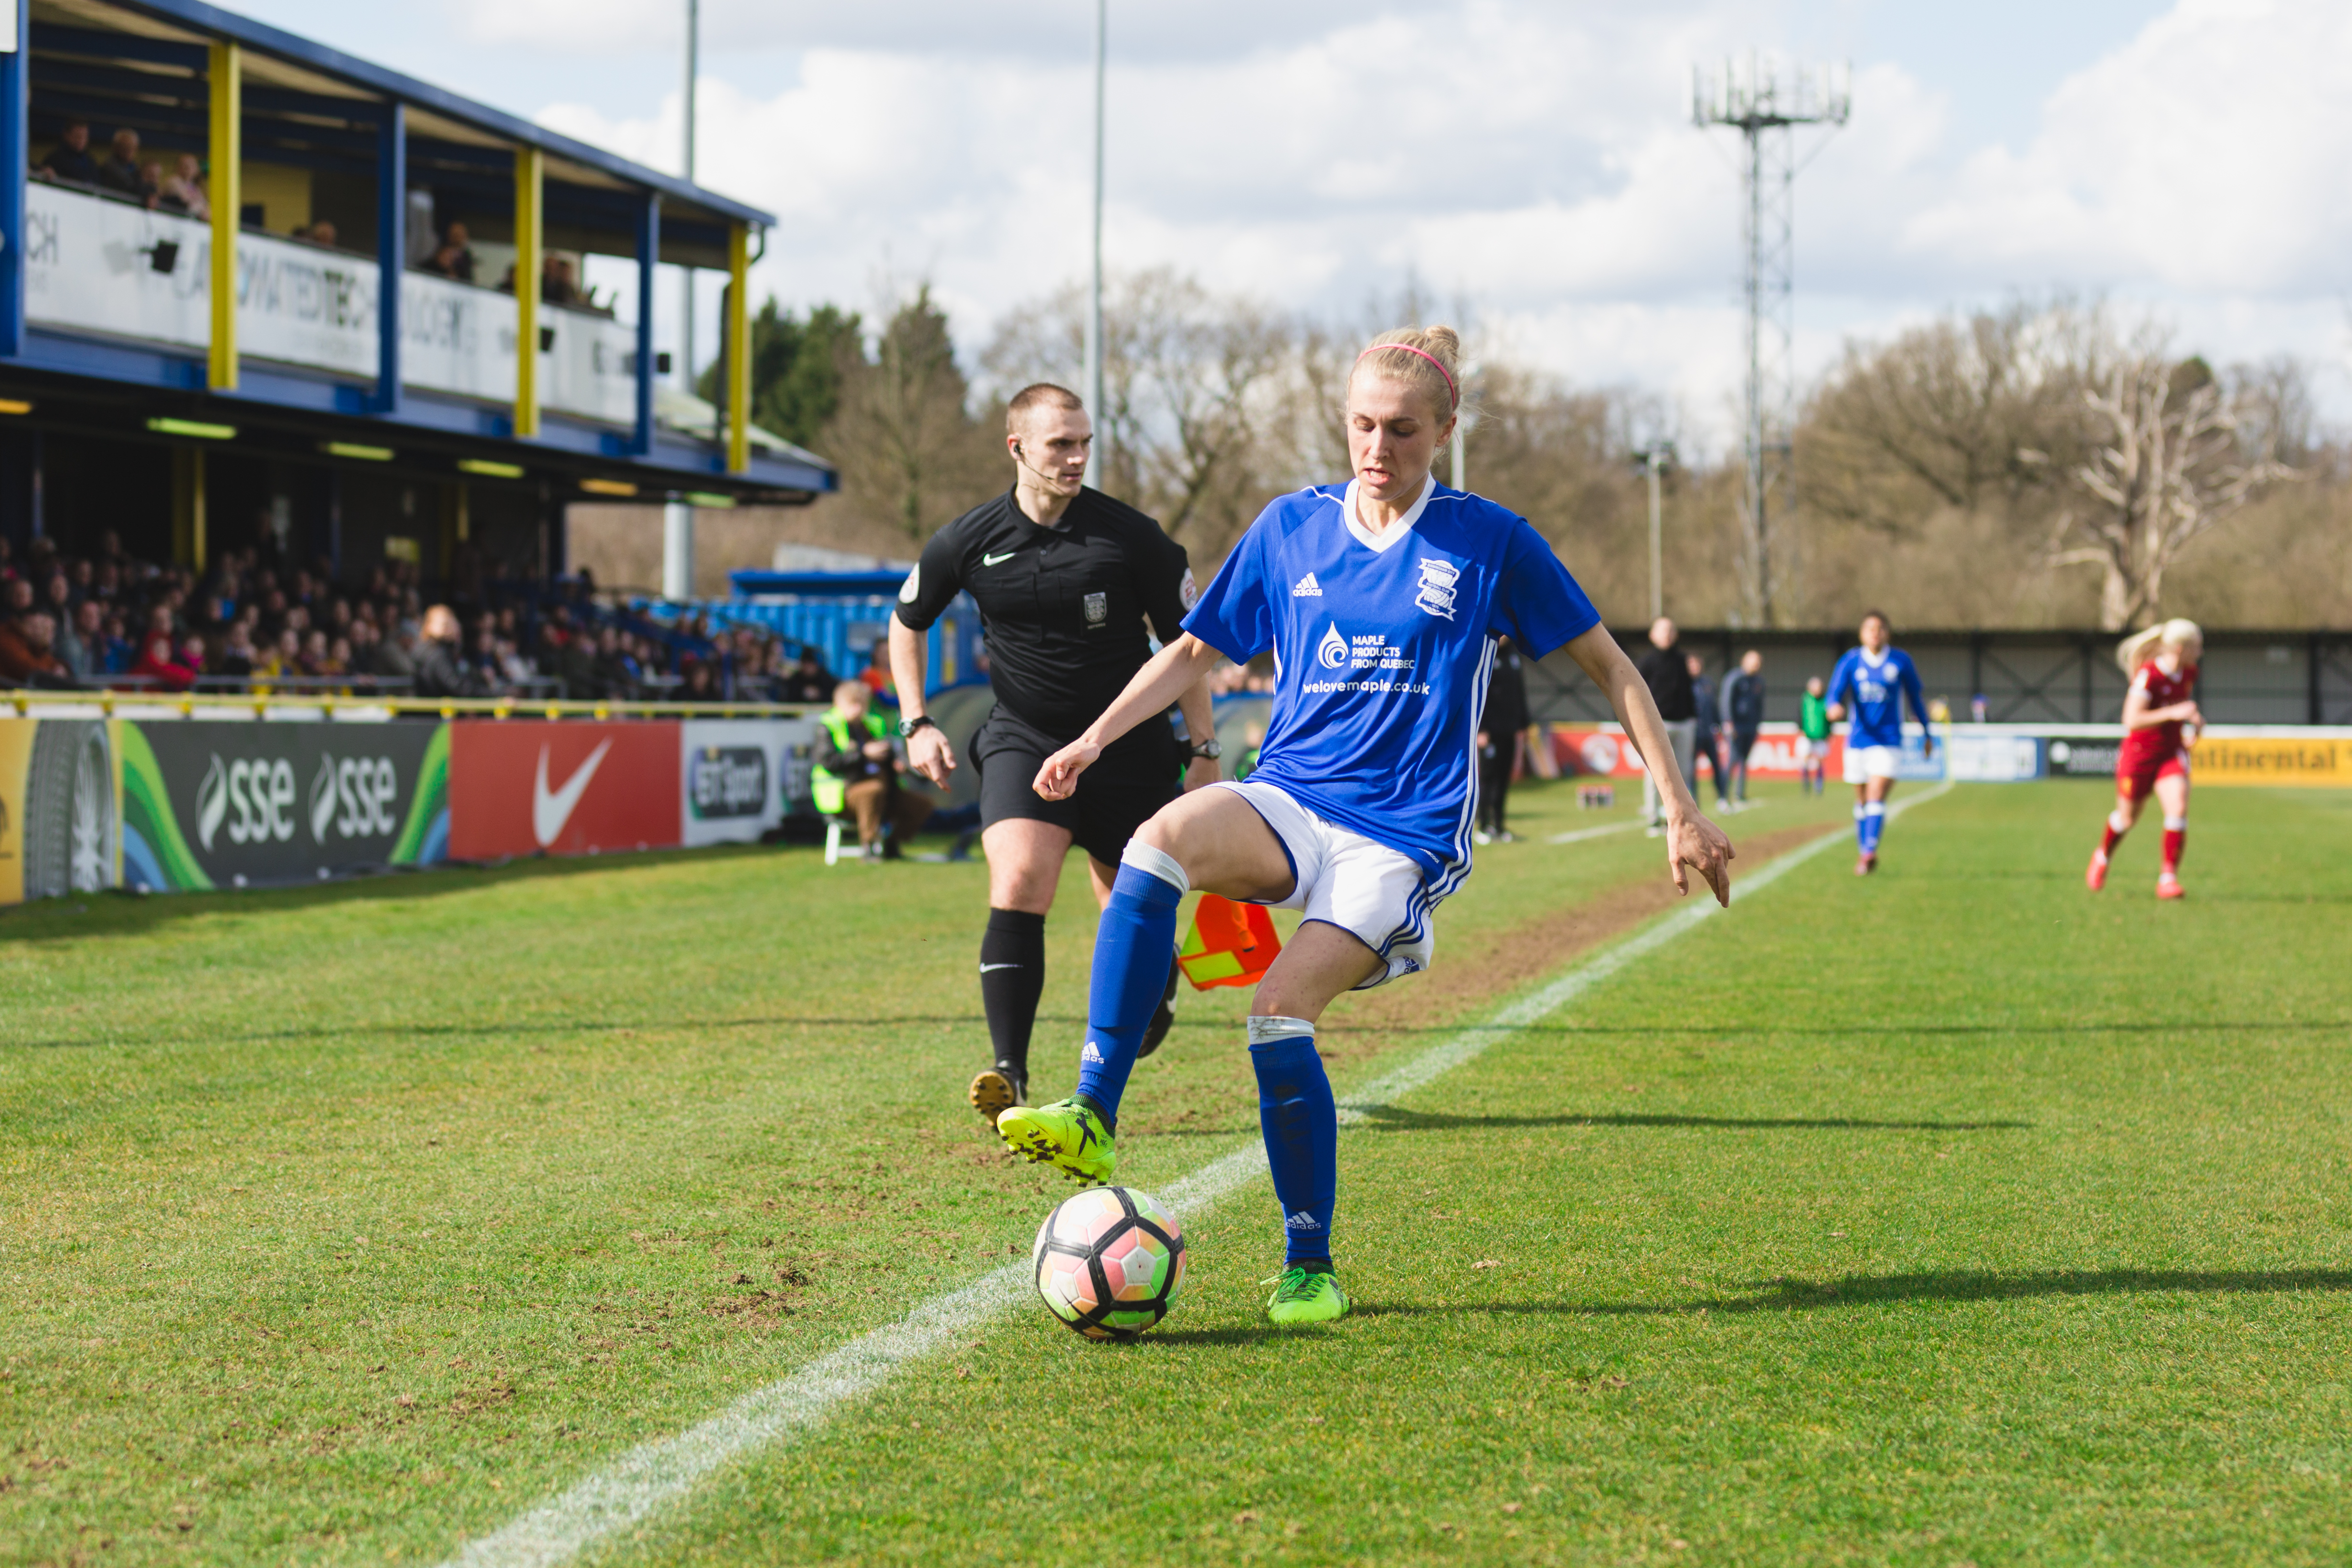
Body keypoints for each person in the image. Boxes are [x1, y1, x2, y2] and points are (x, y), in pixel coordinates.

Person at [988, 326, 1733, 1326]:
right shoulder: (1292, 527)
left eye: (1404, 431)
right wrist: (1091, 739)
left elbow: (1614, 667)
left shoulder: (1490, 539)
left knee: (1275, 1013)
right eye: (1363, 427)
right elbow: (1195, 650)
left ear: (1447, 430)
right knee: (1159, 838)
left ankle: (1309, 1266)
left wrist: (1679, 808)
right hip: (1292, 795)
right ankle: (1093, 1108)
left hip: (1400, 835)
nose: (1379, 449)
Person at [892, 381, 1218, 1123]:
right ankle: (1009, 1068)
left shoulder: (1131, 537)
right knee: (1020, 881)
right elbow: (904, 621)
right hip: (1022, 738)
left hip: (1127, 748)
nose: (1076, 458)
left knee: (1128, 904)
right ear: (1017, 449)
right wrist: (916, 722)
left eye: (1083, 444)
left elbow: (1190, 646)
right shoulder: (967, 539)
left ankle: (1155, 985)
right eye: (1059, 445)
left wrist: (1203, 749)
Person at [2087, 619, 2202, 900]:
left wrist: (2196, 723)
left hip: (2171, 753)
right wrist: (2174, 713)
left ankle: (2168, 880)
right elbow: (2132, 719)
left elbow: (2182, 710)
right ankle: (2103, 856)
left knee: (2178, 808)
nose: (2200, 652)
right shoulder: (2148, 675)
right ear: (2180, 648)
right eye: (2196, 647)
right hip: (2140, 755)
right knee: (2127, 819)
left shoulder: (2190, 673)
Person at [1826, 610, 1934, 875]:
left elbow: (1916, 699)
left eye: (1880, 628)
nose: (1875, 632)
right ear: (1862, 634)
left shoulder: (1900, 661)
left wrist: (1927, 733)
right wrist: (1833, 708)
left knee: (1876, 794)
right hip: (1858, 741)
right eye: (1870, 628)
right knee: (1862, 799)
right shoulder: (1851, 661)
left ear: (1888, 633)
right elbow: (1834, 694)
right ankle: (1865, 849)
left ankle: (1868, 852)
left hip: (1889, 741)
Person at [812, 679, 934, 859]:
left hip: (885, 791)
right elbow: (828, 761)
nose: (859, 709)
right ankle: (869, 847)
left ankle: (891, 846)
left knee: (922, 805)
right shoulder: (828, 726)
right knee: (873, 791)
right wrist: (863, 754)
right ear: (839, 704)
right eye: (854, 703)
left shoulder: (873, 724)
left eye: (862, 703)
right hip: (845, 795)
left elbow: (885, 753)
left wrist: (895, 765)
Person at [1633, 616, 1697, 836]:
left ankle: (1681, 819)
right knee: (1654, 773)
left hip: (1683, 723)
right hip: (1657, 724)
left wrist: (1692, 717)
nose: (1668, 634)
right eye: (1663, 631)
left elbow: (1689, 693)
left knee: (1683, 773)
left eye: (1671, 630)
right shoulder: (1647, 662)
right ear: (1653, 635)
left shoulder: (1682, 660)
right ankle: (1653, 818)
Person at [1473, 635, 1527, 844]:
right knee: (1488, 779)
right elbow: (1479, 694)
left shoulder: (1514, 656)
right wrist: (1481, 729)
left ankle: (1499, 825)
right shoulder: (1485, 655)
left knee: (1504, 779)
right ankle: (1483, 826)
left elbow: (1519, 693)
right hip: (1490, 732)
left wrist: (1523, 724)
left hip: (1510, 729)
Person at [1720, 648, 1766, 807]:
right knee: (1732, 760)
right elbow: (1726, 700)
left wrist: (1758, 725)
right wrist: (1729, 722)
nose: (1757, 664)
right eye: (1754, 661)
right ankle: (1723, 796)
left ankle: (1740, 794)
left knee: (1744, 761)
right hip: (1736, 727)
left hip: (1750, 727)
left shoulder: (1758, 682)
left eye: (1759, 661)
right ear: (1745, 661)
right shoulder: (1735, 678)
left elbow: (1759, 706)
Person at [412, 604, 480, 699]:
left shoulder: (442, 650)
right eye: (445, 624)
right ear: (430, 625)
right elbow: (458, 687)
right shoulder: (436, 653)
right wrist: (494, 694)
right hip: (434, 711)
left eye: (451, 624)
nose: (451, 629)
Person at [1688, 652, 1728, 810]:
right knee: (1690, 770)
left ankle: (1722, 798)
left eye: (1697, 664)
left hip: (1708, 734)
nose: (1695, 668)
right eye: (1691, 665)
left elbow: (1714, 707)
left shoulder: (1708, 684)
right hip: (1692, 734)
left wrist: (1719, 725)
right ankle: (1694, 801)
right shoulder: (1684, 684)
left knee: (1717, 767)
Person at [36, 121, 100, 185]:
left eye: (84, 137)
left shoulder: (91, 162)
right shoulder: (56, 159)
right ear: (66, 135)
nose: (81, 140)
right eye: (77, 136)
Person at [1798, 674, 1830, 795]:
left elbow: (1829, 719)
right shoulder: (1805, 699)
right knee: (1805, 760)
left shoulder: (1825, 700)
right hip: (1807, 736)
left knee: (1820, 761)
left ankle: (1819, 785)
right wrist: (1800, 729)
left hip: (1821, 736)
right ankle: (1806, 784)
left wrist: (1829, 733)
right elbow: (1800, 715)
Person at [97, 129, 145, 198]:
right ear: (116, 147)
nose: (128, 151)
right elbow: (130, 187)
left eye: (132, 147)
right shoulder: (108, 169)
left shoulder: (136, 170)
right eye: (124, 146)